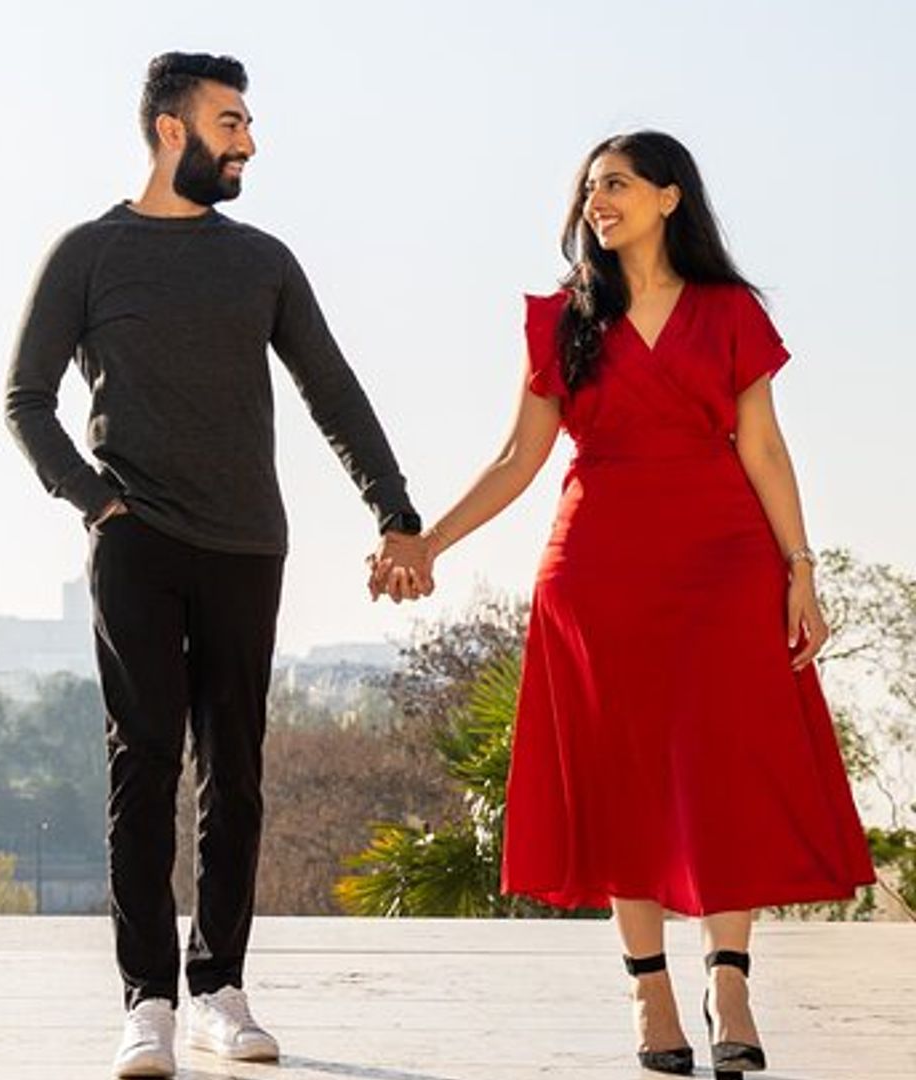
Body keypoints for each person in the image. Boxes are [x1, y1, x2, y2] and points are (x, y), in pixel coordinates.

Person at [382, 130, 875, 1076]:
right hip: (597, 572)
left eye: (615, 184)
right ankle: (651, 994)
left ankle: (728, 982)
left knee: (725, 770)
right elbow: (518, 459)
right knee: (621, 778)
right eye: (589, 189)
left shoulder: (730, 313)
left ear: (669, 197)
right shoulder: (561, 319)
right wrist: (429, 544)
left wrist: (799, 568)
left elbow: (763, 448)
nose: (596, 201)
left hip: (725, 568)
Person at [5, 51, 430, 1078]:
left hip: (248, 542)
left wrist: (397, 513)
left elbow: (334, 391)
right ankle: (146, 1000)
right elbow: (25, 399)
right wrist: (97, 503)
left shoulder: (264, 261)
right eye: (230, 121)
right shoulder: (87, 253)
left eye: (247, 123)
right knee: (142, 766)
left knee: (233, 774)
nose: (248, 140)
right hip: (137, 542)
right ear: (170, 130)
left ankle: (219, 987)